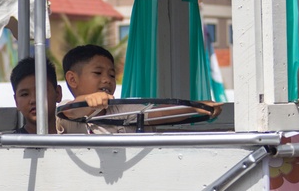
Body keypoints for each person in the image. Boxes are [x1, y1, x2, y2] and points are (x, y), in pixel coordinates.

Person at [57, 44, 221, 133]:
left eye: (112, 75)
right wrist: (87, 101)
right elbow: (72, 111)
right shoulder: (63, 113)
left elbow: (159, 113)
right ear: (72, 79)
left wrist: (194, 108)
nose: (107, 79)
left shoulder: (121, 108)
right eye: (98, 73)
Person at [10, 57, 62, 134]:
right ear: (16, 101)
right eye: (25, 94)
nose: (33, 100)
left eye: (40, 92)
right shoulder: (10, 143)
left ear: (58, 93)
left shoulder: (76, 139)